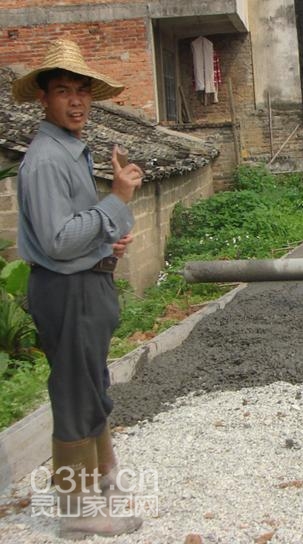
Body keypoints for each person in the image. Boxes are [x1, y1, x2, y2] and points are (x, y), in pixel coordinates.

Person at [12, 39, 144, 539]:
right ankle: (76, 510)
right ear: (43, 99)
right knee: (74, 396)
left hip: (85, 286)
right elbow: (59, 241)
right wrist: (117, 200)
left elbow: (79, 231)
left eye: (82, 92)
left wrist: (109, 244)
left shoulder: (71, 152)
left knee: (91, 387)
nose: (76, 102)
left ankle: (105, 482)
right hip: (66, 292)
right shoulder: (46, 160)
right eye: (63, 91)